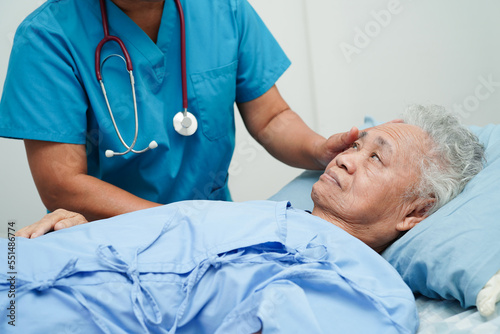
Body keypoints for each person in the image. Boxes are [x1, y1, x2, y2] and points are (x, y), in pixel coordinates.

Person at [1, 106, 484, 333]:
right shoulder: (258, 216)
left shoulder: (366, 291)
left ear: (414, 213)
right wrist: (94, 236)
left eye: (377, 159)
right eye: (358, 144)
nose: (345, 158)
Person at [0, 0, 359, 231]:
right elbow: (61, 183)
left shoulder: (223, 10)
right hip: (112, 238)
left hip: (213, 232)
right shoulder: (47, 36)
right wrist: (179, 223)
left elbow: (271, 118)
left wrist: (319, 148)